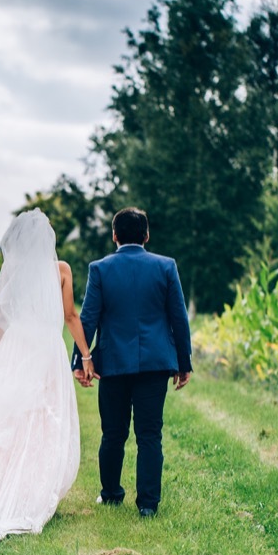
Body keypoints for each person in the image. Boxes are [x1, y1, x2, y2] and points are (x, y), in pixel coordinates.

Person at [0, 209, 93, 550]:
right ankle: (30, 490)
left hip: (18, 344)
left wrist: (4, 356)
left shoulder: (12, 269)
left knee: (14, 418)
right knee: (43, 418)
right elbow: (70, 315)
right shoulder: (60, 270)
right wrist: (86, 354)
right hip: (47, 348)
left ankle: (7, 486)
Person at [72, 207, 191, 518]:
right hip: (155, 364)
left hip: (111, 363)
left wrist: (79, 359)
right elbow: (179, 317)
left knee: (113, 432)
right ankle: (148, 505)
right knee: (150, 434)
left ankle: (111, 494)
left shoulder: (100, 269)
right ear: (147, 235)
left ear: (114, 236)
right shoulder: (166, 267)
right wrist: (184, 362)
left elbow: (88, 317)